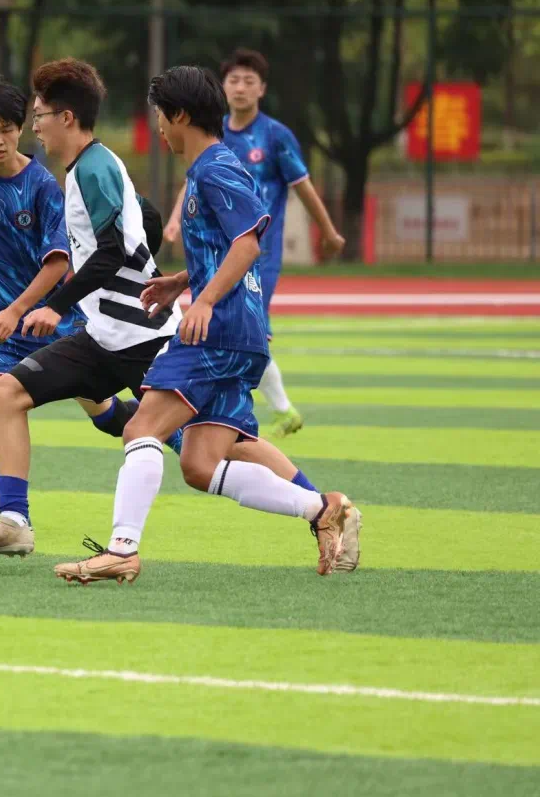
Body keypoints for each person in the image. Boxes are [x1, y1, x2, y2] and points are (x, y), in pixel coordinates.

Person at [0, 59, 338, 564]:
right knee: (4, 394)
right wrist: (175, 279)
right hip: (103, 336)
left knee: (217, 448)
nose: (35, 127)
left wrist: (54, 306)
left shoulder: (95, 167)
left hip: (146, 337)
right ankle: (14, 522)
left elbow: (115, 249)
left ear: (66, 118)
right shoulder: (82, 170)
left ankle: (324, 508)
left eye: (40, 116)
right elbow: (139, 232)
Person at [54, 65, 357, 586]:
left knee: (141, 428)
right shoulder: (207, 169)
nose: (159, 127)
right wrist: (181, 282)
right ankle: (322, 508)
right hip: (239, 333)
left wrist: (206, 302)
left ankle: (122, 550)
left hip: (219, 332)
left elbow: (247, 243)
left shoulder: (215, 168)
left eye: (160, 116)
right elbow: (222, 248)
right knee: (199, 464)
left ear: (180, 115)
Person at [0, 74, 139, 500]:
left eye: (6, 130)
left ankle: (169, 429)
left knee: (106, 414)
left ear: (21, 128)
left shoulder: (43, 185)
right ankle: (10, 513)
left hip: (52, 322)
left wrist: (18, 310)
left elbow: (58, 262)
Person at [165, 48, 347, 439]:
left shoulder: (276, 136)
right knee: (237, 330)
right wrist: (175, 218)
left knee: (245, 328)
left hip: (257, 253)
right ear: (223, 86)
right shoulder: (212, 132)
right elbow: (194, 178)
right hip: (215, 251)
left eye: (249, 81)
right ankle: (246, 416)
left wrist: (329, 233)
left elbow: (304, 187)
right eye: (234, 80)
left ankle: (268, 412)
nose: (241, 88)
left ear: (262, 89)